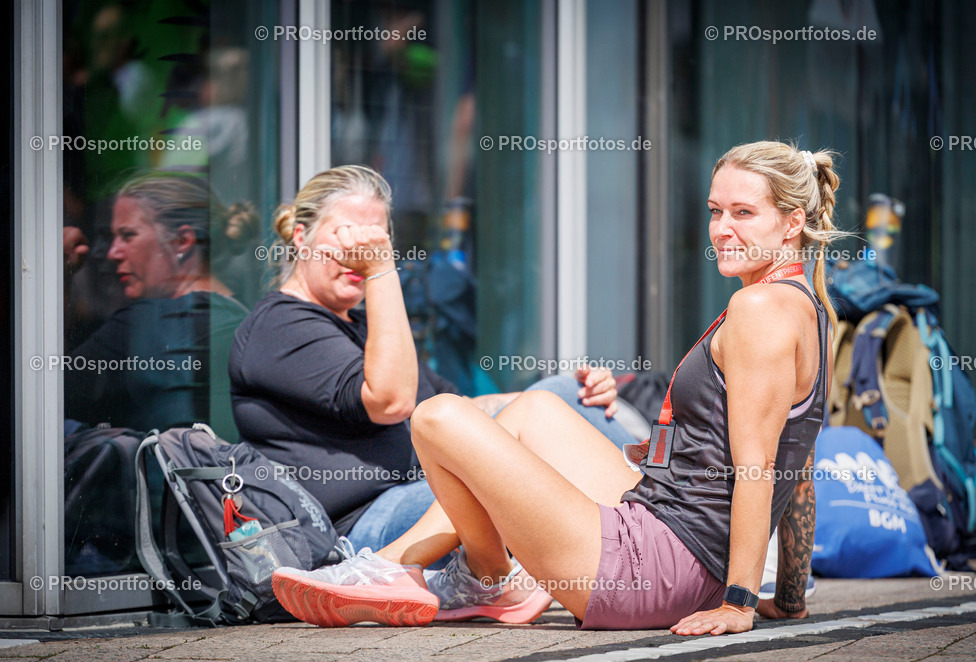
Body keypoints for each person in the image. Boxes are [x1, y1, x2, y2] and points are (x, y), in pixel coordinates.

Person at [271, 141, 839, 632]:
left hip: (660, 567)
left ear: (792, 222)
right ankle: (447, 573)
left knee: (435, 417)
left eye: (744, 212)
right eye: (716, 211)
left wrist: (740, 601)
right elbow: (800, 454)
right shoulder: (806, 307)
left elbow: (761, 468)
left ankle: (472, 576)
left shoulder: (759, 307)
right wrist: (787, 597)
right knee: (536, 407)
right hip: (669, 525)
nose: (722, 229)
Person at [229, 165, 634, 579]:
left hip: (427, 497)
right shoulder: (278, 325)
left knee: (561, 395)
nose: (362, 250)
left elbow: (459, 409)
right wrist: (381, 269)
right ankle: (660, 529)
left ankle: (662, 517)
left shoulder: (365, 326)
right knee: (532, 452)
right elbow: (391, 401)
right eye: (349, 234)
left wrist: (557, 401)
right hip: (365, 527)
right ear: (302, 237)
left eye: (376, 238)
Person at [65, 171, 249, 439]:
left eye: (128, 236)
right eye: (113, 237)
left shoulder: (150, 323)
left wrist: (57, 271)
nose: (113, 252)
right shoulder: (244, 317)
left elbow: (44, 397)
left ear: (182, 242)